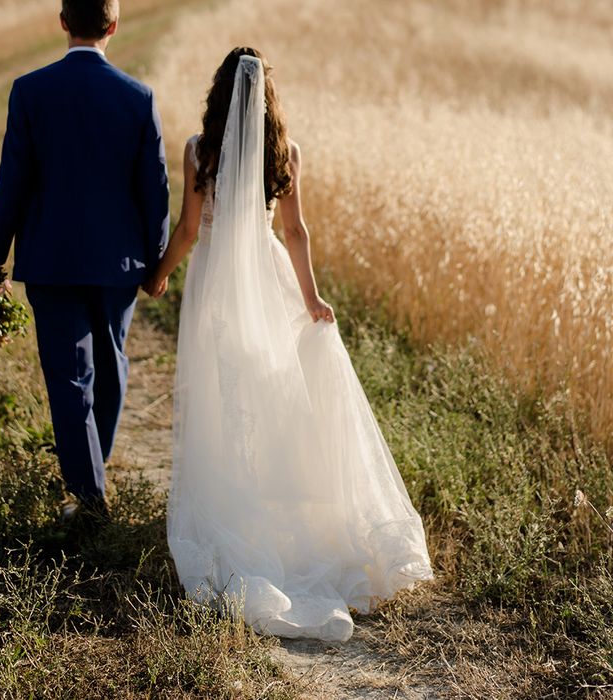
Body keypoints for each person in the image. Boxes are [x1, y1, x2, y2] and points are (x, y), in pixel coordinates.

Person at [145, 48, 433, 642]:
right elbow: (296, 231)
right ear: (268, 101)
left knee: (225, 396)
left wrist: (160, 273)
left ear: (220, 95)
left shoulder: (201, 151)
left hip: (218, 284)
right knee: (270, 391)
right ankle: (269, 510)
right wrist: (311, 298)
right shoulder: (287, 153)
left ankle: (236, 505)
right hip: (268, 275)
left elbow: (191, 227)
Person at [0, 0, 169, 521]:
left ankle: (87, 493)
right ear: (114, 25)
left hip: (52, 259)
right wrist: (156, 262)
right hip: (118, 263)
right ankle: (90, 481)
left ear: (63, 22)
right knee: (112, 363)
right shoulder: (138, 97)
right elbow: (156, 189)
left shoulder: (31, 90)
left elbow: (12, 182)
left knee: (68, 375)